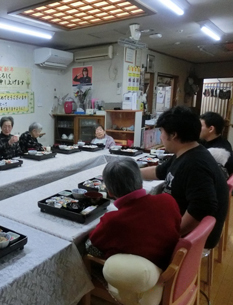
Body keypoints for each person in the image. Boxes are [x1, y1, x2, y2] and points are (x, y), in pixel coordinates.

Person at [141, 106, 229, 249]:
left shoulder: (196, 164)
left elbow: (203, 206)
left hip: (192, 237)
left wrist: (173, 234)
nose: (161, 136)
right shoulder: (186, 151)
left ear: (173, 135)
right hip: (177, 221)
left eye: (161, 132)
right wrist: (132, 172)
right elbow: (160, 171)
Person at [87, 158, 181, 269]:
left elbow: (93, 244)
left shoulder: (112, 220)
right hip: (171, 262)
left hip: (142, 274)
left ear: (110, 192)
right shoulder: (167, 200)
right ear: (141, 181)